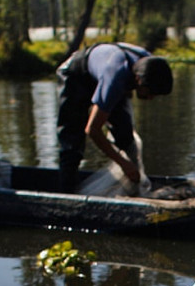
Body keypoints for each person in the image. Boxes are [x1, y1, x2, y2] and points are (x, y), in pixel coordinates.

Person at [55, 42, 172, 192]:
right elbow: (92, 130)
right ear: (138, 81)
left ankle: (133, 191)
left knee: (125, 134)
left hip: (106, 74)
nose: (150, 98)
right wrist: (123, 164)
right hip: (75, 75)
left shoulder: (151, 65)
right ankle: (67, 196)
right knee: (72, 143)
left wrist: (131, 164)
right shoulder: (115, 77)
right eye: (150, 93)